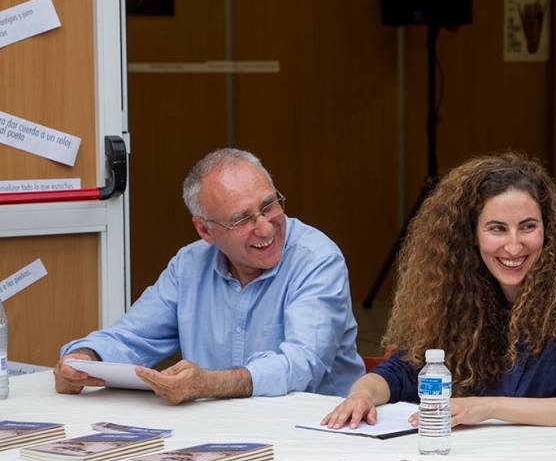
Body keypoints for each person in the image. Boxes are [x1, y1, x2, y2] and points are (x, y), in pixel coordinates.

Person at [321, 153, 556, 429]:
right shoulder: (457, 300)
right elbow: (401, 371)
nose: (514, 246)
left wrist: (486, 408)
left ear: (548, 231)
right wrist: (362, 394)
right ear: (472, 236)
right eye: (497, 229)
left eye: (528, 227)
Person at [54, 148, 365, 404]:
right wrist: (83, 358)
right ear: (205, 230)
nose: (266, 227)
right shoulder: (189, 265)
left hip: (310, 433)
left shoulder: (317, 259)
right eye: (242, 219)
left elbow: (303, 364)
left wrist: (211, 384)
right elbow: (131, 337)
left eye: (269, 205)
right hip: (213, 433)